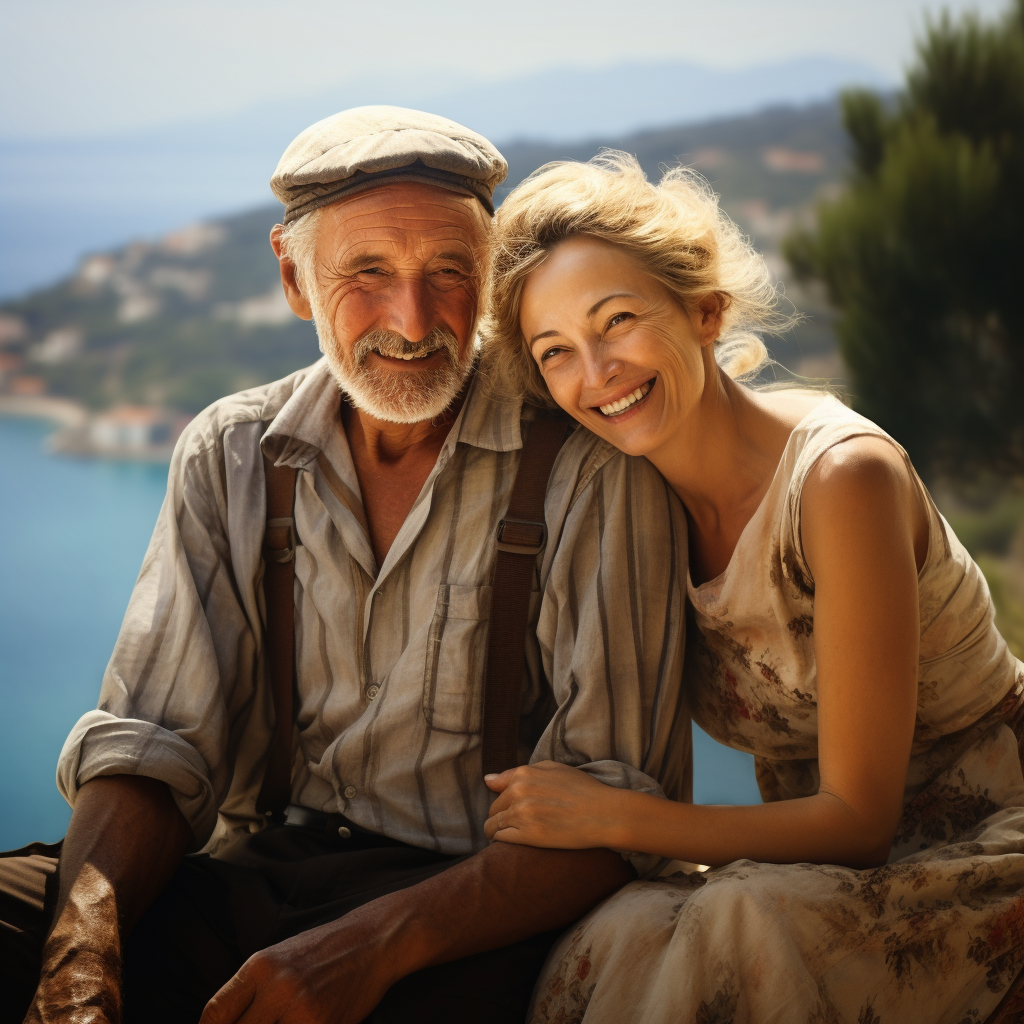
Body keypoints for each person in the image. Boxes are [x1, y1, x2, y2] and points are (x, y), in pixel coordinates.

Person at [0, 113, 691, 1024]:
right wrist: (81, 957)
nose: (412, 320)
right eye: (367, 274)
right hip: (250, 882)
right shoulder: (229, 451)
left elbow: (612, 816)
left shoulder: (588, 469)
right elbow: (151, 744)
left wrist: (373, 947)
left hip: (473, 916)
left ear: (490, 278)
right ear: (293, 276)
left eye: (448, 271)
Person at [479, 152, 1024, 1024]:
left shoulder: (841, 480)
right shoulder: (631, 496)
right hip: (812, 862)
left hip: (984, 834)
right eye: (556, 353)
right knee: (615, 932)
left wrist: (614, 816)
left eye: (616, 321)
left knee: (737, 921)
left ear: (705, 311)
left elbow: (856, 821)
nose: (596, 372)